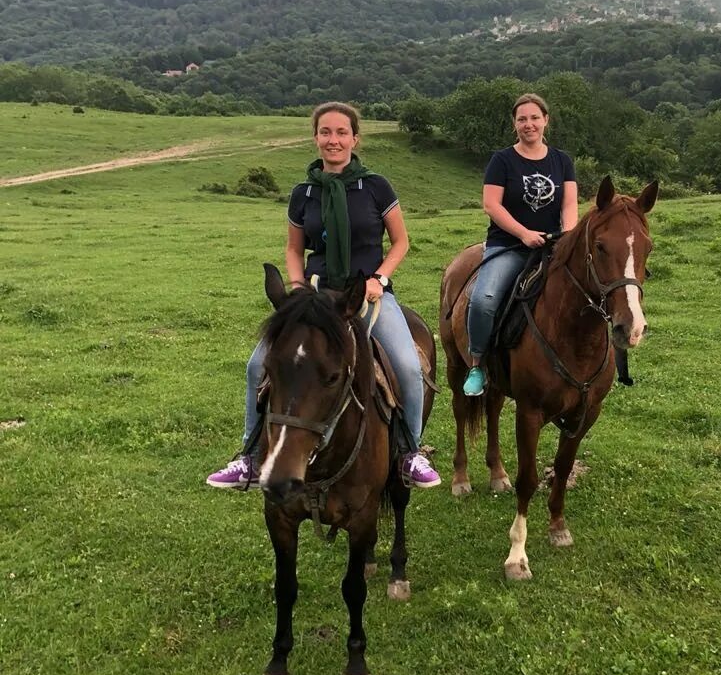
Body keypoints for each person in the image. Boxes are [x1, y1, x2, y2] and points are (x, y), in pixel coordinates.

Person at [207, 102, 441, 490]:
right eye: (326, 132)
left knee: (407, 364)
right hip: (316, 299)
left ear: (355, 138)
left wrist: (379, 279)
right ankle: (248, 457)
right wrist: (297, 286)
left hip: (368, 295)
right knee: (256, 367)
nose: (333, 140)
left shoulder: (377, 187)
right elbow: (293, 249)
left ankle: (409, 453)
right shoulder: (304, 193)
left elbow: (400, 242)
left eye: (341, 133)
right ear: (316, 138)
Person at [463, 93, 578, 396]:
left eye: (534, 118)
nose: (529, 124)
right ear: (515, 124)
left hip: (552, 246)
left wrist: (568, 236)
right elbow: (491, 205)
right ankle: (477, 363)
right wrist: (523, 233)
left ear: (546, 121)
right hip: (508, 246)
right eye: (522, 119)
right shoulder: (502, 160)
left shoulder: (562, 160)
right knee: (484, 299)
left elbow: (569, 205)